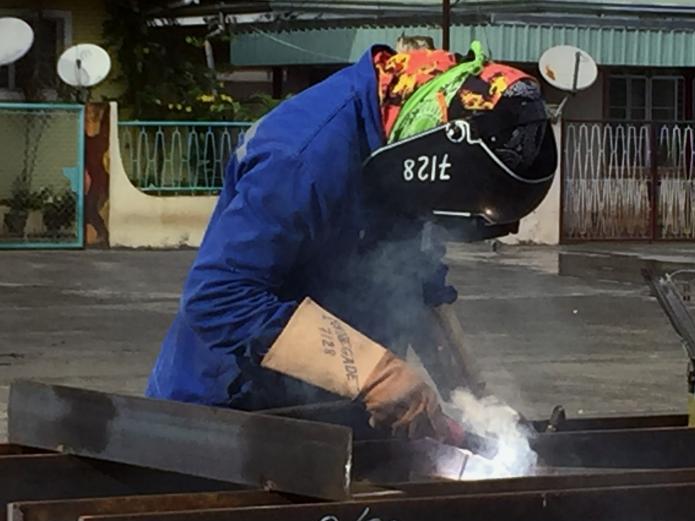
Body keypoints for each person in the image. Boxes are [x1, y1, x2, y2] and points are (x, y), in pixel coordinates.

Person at [146, 41, 557, 442]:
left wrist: (476, 404)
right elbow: (218, 297)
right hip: (229, 415)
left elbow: (421, 285)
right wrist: (378, 374)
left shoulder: (410, 139)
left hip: (336, 414)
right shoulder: (300, 158)